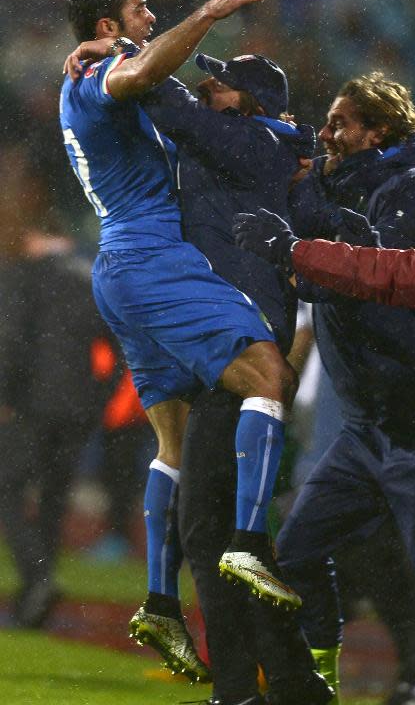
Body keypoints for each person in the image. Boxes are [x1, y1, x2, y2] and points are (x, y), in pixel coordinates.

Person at [66, 38, 335, 703]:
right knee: (223, 541)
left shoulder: (252, 143)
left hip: (239, 356)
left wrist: (117, 53)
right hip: (221, 348)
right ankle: (284, 685)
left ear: (254, 104)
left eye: (223, 84)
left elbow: (168, 103)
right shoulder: (253, 145)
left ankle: (253, 687)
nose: (209, 88)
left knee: (216, 535)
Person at [234, 74, 415, 704]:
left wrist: (306, 251)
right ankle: (317, 680)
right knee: (288, 561)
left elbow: (388, 282)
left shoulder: (412, 190)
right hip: (368, 431)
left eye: (341, 123)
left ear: (378, 131)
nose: (326, 134)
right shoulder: (338, 184)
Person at [0, 148, 113, 628]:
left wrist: (5, 396)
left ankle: (38, 578)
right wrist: (99, 399)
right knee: (51, 499)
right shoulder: (85, 273)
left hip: (31, 401)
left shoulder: (23, 273)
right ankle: (35, 599)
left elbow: (12, 338)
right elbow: (113, 344)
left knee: (6, 488)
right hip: (79, 404)